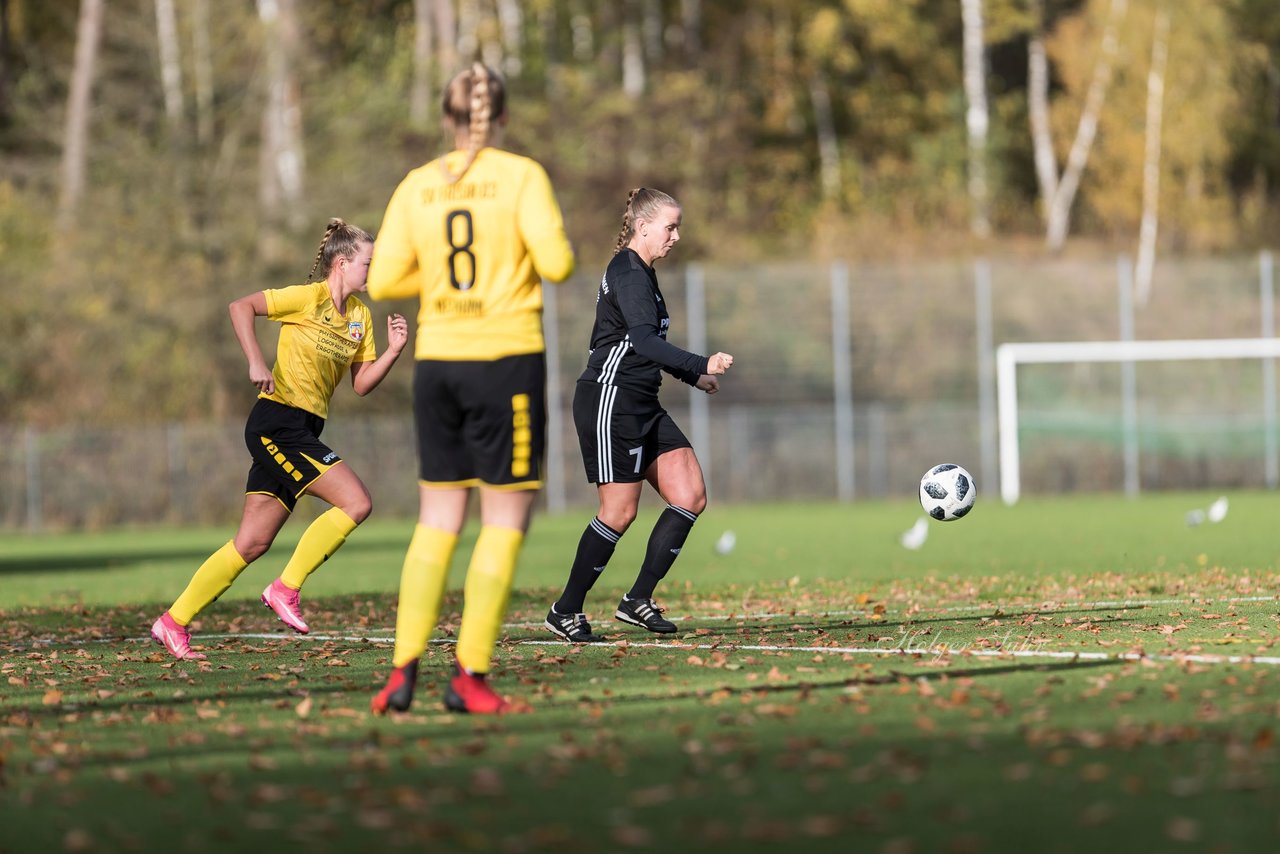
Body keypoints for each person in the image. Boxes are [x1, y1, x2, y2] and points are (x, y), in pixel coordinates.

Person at [367, 63, 575, 715]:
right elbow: (558, 264)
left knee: (437, 522)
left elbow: (383, 281)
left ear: (445, 119)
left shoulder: (417, 185)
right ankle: (470, 677)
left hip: (437, 365)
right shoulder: (522, 177)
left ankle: (401, 674)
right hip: (504, 360)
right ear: (503, 119)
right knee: (504, 520)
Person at [150, 219, 408, 660]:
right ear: (342, 263)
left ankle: (172, 622)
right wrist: (256, 361)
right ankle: (284, 588)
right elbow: (239, 307)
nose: (374, 270)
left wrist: (392, 352)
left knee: (251, 543)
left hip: (305, 430)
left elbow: (361, 385)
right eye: (369, 262)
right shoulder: (305, 298)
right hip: (276, 423)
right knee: (357, 502)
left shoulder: (361, 317)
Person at [544, 187, 733, 644]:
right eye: (670, 226)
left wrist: (692, 380)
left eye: (677, 226)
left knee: (689, 493)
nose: (676, 235)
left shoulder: (642, 273)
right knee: (619, 511)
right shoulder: (629, 273)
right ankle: (565, 609)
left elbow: (641, 344)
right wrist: (700, 364)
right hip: (610, 399)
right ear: (642, 226)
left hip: (641, 400)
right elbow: (645, 343)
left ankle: (637, 600)